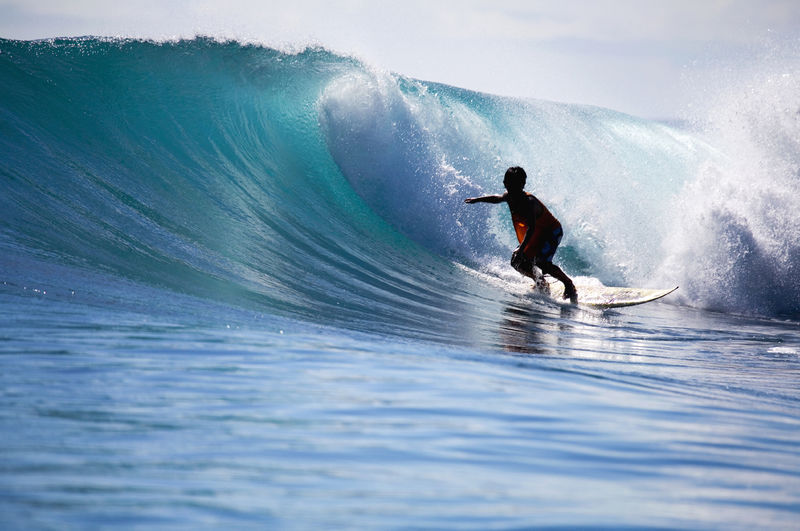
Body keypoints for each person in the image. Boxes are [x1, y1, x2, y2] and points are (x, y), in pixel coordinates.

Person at [464, 166, 577, 301]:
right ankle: (541, 282)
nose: (511, 189)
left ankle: (569, 284)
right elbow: (497, 198)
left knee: (542, 262)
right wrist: (478, 199)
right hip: (538, 232)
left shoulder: (529, 203)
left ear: (522, 185)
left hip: (551, 231)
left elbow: (531, 228)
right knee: (517, 261)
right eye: (508, 185)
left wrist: (522, 249)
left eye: (515, 186)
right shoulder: (509, 196)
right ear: (505, 183)